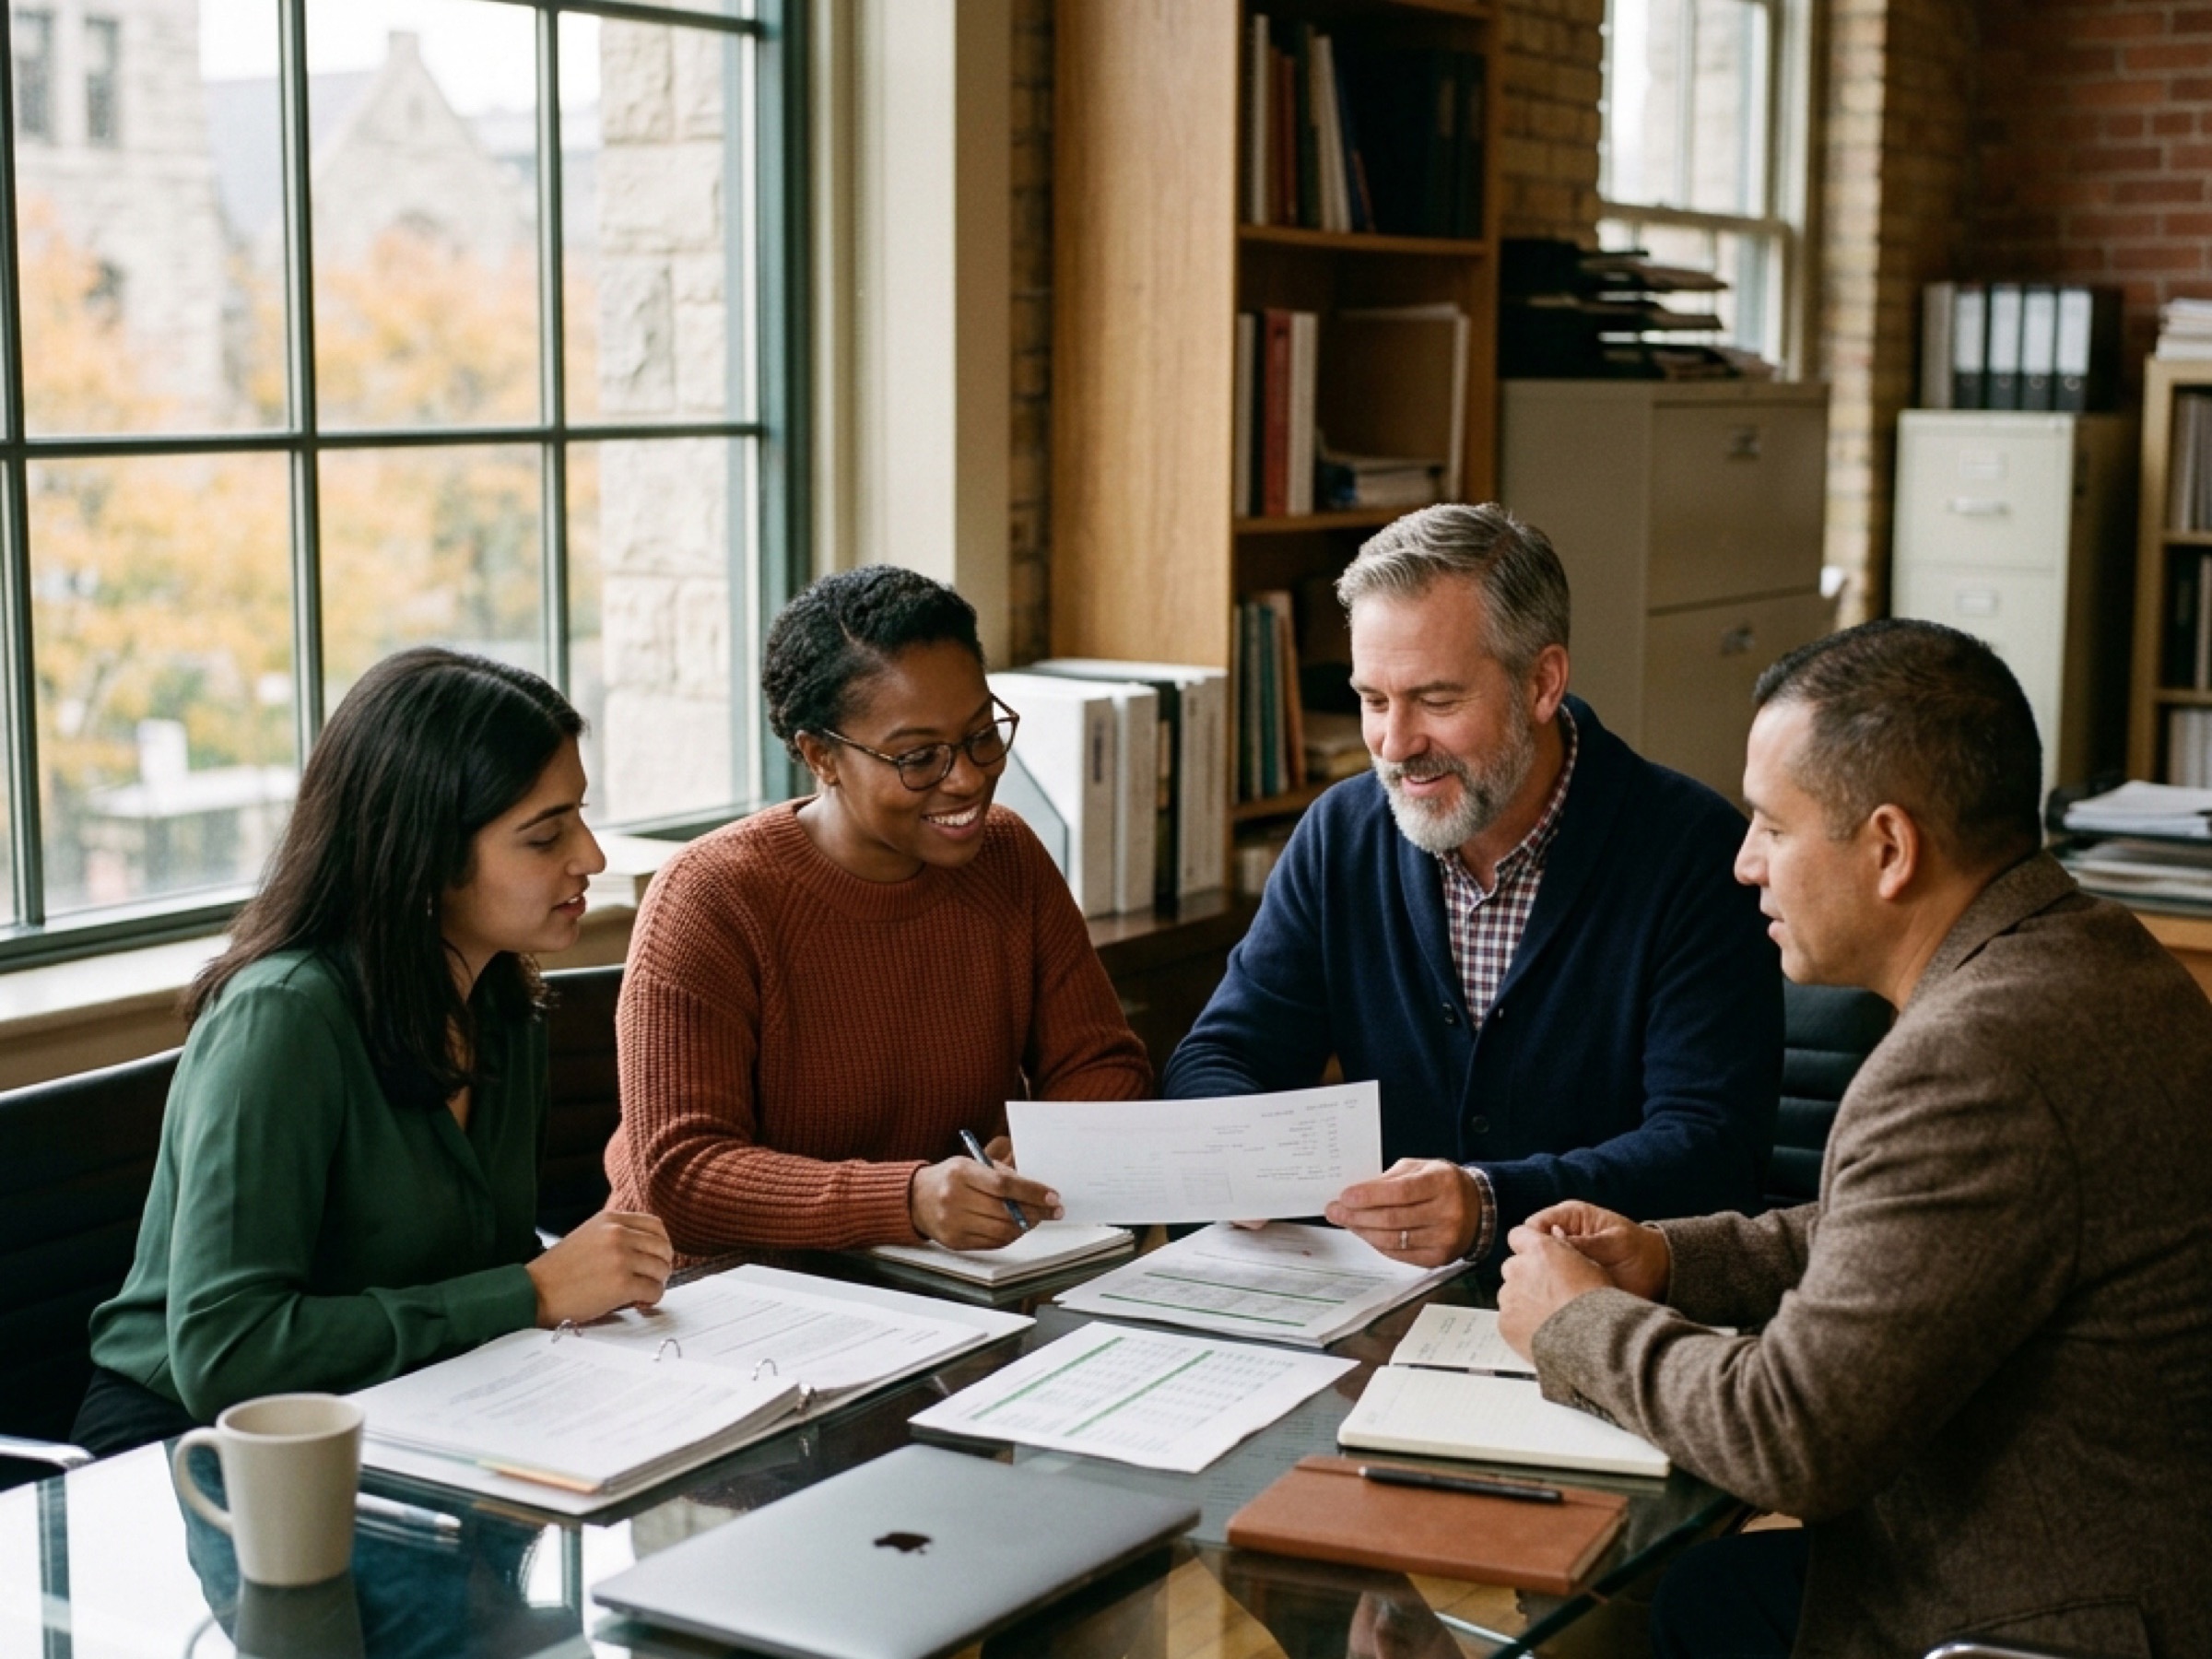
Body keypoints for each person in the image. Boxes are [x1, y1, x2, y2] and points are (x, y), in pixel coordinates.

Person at [1497, 620, 2212, 1659]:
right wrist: (1666, 1257)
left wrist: (1577, 1323)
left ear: (1890, 849)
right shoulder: (2091, 953)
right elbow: (1903, 1235)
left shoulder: (1975, 1058)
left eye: (1771, 828)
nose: (1745, 866)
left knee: (1620, 1621)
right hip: (2106, 1564)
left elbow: (1791, 1436)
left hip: (2038, 1620)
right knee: (1688, 1597)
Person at [76, 648, 675, 1456]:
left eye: (580, 813)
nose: (592, 857)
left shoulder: (504, 1002)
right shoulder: (282, 1022)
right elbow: (227, 1353)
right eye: (544, 836)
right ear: (423, 857)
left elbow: (479, 1269)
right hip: (197, 1450)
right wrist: (530, 1292)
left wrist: (579, 1281)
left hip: (409, 1411)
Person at [1164, 503, 1780, 1267]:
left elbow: (1712, 1151)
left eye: (1436, 700)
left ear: (1542, 683)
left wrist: (1488, 1203)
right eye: (1373, 699)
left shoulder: (1692, 851)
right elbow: (1220, 1053)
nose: (1395, 745)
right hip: (1377, 1306)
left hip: (1601, 1316)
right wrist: (1240, 1151)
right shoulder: (1341, 834)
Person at [606, 565, 1151, 1260]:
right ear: (820, 755)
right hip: (724, 1304)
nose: (968, 777)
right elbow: (678, 1178)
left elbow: (1104, 1061)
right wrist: (909, 1199)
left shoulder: (1008, 854)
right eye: (918, 757)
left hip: (951, 1285)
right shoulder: (710, 896)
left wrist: (1050, 1145)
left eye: (983, 734)